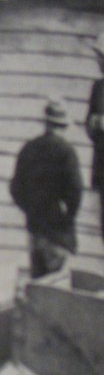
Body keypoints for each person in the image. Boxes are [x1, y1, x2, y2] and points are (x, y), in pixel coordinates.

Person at [10, 96, 83, 278]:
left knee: (38, 286)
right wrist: (67, 219)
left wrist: (30, 209)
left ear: (46, 122)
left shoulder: (29, 148)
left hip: (35, 229)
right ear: (64, 125)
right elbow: (75, 191)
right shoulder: (66, 152)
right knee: (57, 288)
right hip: (57, 232)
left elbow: (15, 188)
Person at [85, 32, 104, 240]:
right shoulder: (98, 87)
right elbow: (88, 122)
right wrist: (92, 125)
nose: (98, 61)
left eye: (100, 56)